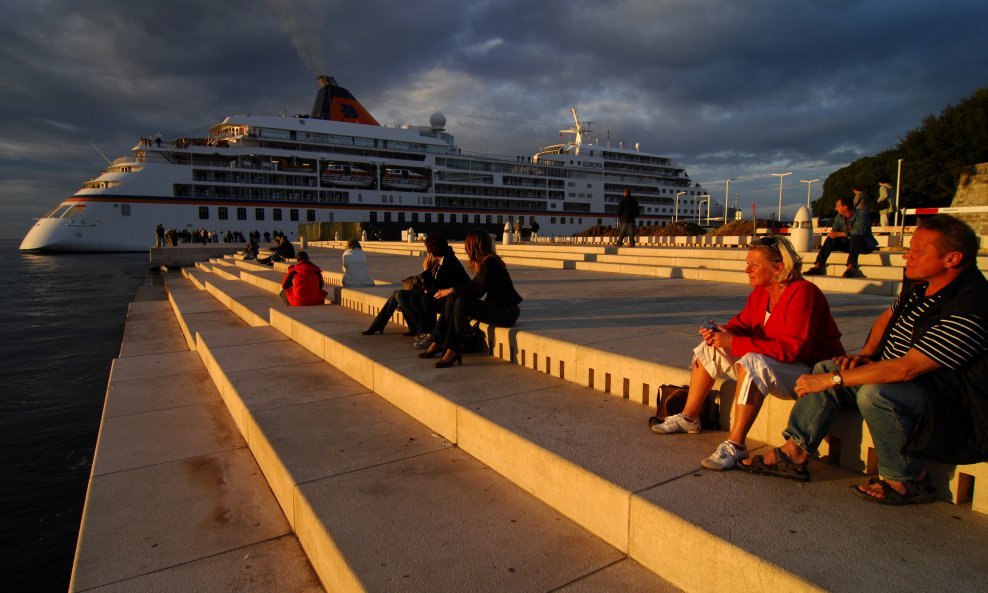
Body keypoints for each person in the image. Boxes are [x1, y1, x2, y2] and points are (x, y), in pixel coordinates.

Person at [741, 215, 988, 503]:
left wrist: (831, 380)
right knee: (827, 365)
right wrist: (866, 355)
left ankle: (907, 479)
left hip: (946, 401)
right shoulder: (923, 286)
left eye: (918, 250)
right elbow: (888, 318)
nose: (908, 255)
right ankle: (794, 451)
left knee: (874, 393)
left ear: (952, 258)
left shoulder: (971, 308)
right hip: (905, 378)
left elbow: (907, 369)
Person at [652, 236, 845, 470]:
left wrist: (735, 341)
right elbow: (745, 324)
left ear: (778, 267)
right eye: (748, 263)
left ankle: (736, 444)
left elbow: (793, 349)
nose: (747, 270)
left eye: (754, 264)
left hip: (809, 372)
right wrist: (722, 332)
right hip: (778, 363)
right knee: (710, 347)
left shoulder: (804, 293)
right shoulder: (763, 292)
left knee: (752, 361)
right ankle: (689, 418)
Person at [421, 229, 523, 368]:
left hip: (506, 313)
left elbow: (477, 291)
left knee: (461, 302)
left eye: (467, 246)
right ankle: (438, 342)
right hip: (500, 309)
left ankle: (452, 349)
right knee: (453, 299)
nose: (466, 250)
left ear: (474, 247)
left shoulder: (490, 263)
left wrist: (451, 290)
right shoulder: (488, 261)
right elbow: (473, 285)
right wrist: (451, 292)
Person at [362, 234, 469, 336]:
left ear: (431, 251)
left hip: (445, 300)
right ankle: (378, 325)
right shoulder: (441, 260)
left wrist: (426, 269)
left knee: (400, 295)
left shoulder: (448, 263)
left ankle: (418, 328)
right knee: (398, 294)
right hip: (435, 296)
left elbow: (433, 287)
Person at [803, 195, 878, 278]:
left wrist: (839, 234)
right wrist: (834, 234)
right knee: (830, 238)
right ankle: (818, 265)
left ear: (845, 207)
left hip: (865, 245)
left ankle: (851, 267)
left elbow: (859, 231)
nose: (836, 208)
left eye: (837, 206)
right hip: (850, 245)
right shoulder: (840, 217)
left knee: (855, 236)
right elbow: (835, 230)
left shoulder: (862, 214)